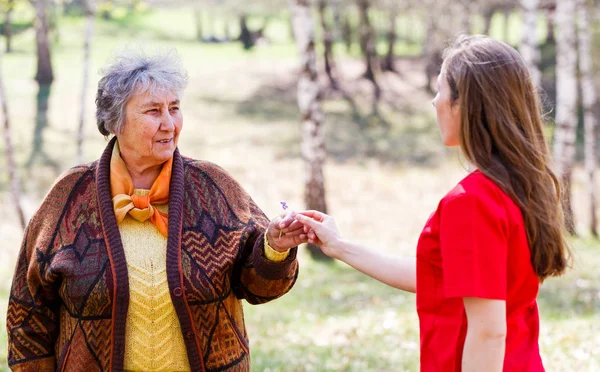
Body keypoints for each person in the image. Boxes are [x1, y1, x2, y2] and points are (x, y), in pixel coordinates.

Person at [6, 50, 307, 371]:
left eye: (174, 108)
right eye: (153, 111)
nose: (169, 124)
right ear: (115, 120)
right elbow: (28, 315)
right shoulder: (70, 196)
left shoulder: (214, 187)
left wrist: (274, 248)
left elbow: (260, 288)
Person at [295, 35, 571, 372]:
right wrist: (340, 246)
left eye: (440, 89)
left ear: (464, 104)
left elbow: (488, 332)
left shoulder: (472, 203)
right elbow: (441, 278)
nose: (434, 101)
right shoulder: (520, 186)